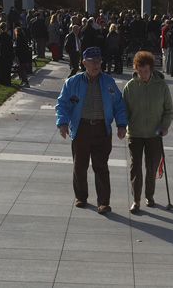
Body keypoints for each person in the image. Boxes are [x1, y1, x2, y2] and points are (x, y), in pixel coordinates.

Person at [55, 47, 128, 215]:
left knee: (101, 166)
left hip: (102, 129)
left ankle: (103, 202)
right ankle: (81, 197)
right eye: (93, 62)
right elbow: (62, 104)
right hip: (81, 128)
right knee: (79, 165)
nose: (97, 65)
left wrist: (121, 125)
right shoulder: (73, 82)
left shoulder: (109, 82)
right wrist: (63, 123)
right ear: (84, 63)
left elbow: (119, 104)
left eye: (99, 61)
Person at [123, 51, 173, 213]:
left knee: (151, 166)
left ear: (151, 69)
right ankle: (136, 200)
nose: (143, 75)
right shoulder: (130, 87)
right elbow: (124, 111)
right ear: (136, 69)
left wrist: (164, 126)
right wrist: (123, 125)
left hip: (154, 134)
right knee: (135, 167)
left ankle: (149, 196)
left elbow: (169, 110)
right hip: (135, 133)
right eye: (140, 71)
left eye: (146, 71)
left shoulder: (161, 86)